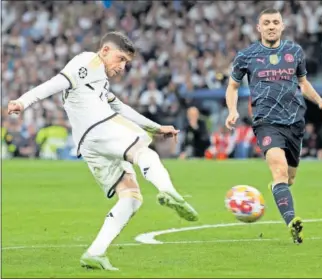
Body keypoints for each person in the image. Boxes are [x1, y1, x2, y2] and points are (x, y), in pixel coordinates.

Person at [7, 31, 198, 270]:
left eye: (127, 63)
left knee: (131, 196)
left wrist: (157, 127)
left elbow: (120, 106)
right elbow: (54, 84)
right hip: (100, 127)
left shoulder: (99, 80)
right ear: (105, 51)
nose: (123, 67)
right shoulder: (86, 62)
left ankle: (95, 253)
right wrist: (23, 102)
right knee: (144, 150)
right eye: (120, 59)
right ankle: (169, 191)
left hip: (89, 144)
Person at [225, 8, 322, 244]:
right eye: (266, 23)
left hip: (295, 122)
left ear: (282, 26)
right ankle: (292, 223)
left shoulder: (294, 51)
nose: (271, 26)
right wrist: (233, 110)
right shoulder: (247, 55)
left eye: (276, 22)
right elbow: (232, 86)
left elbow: (303, 83)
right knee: (279, 171)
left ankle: (278, 187)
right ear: (259, 27)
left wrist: (321, 102)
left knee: (288, 179)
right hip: (266, 123)